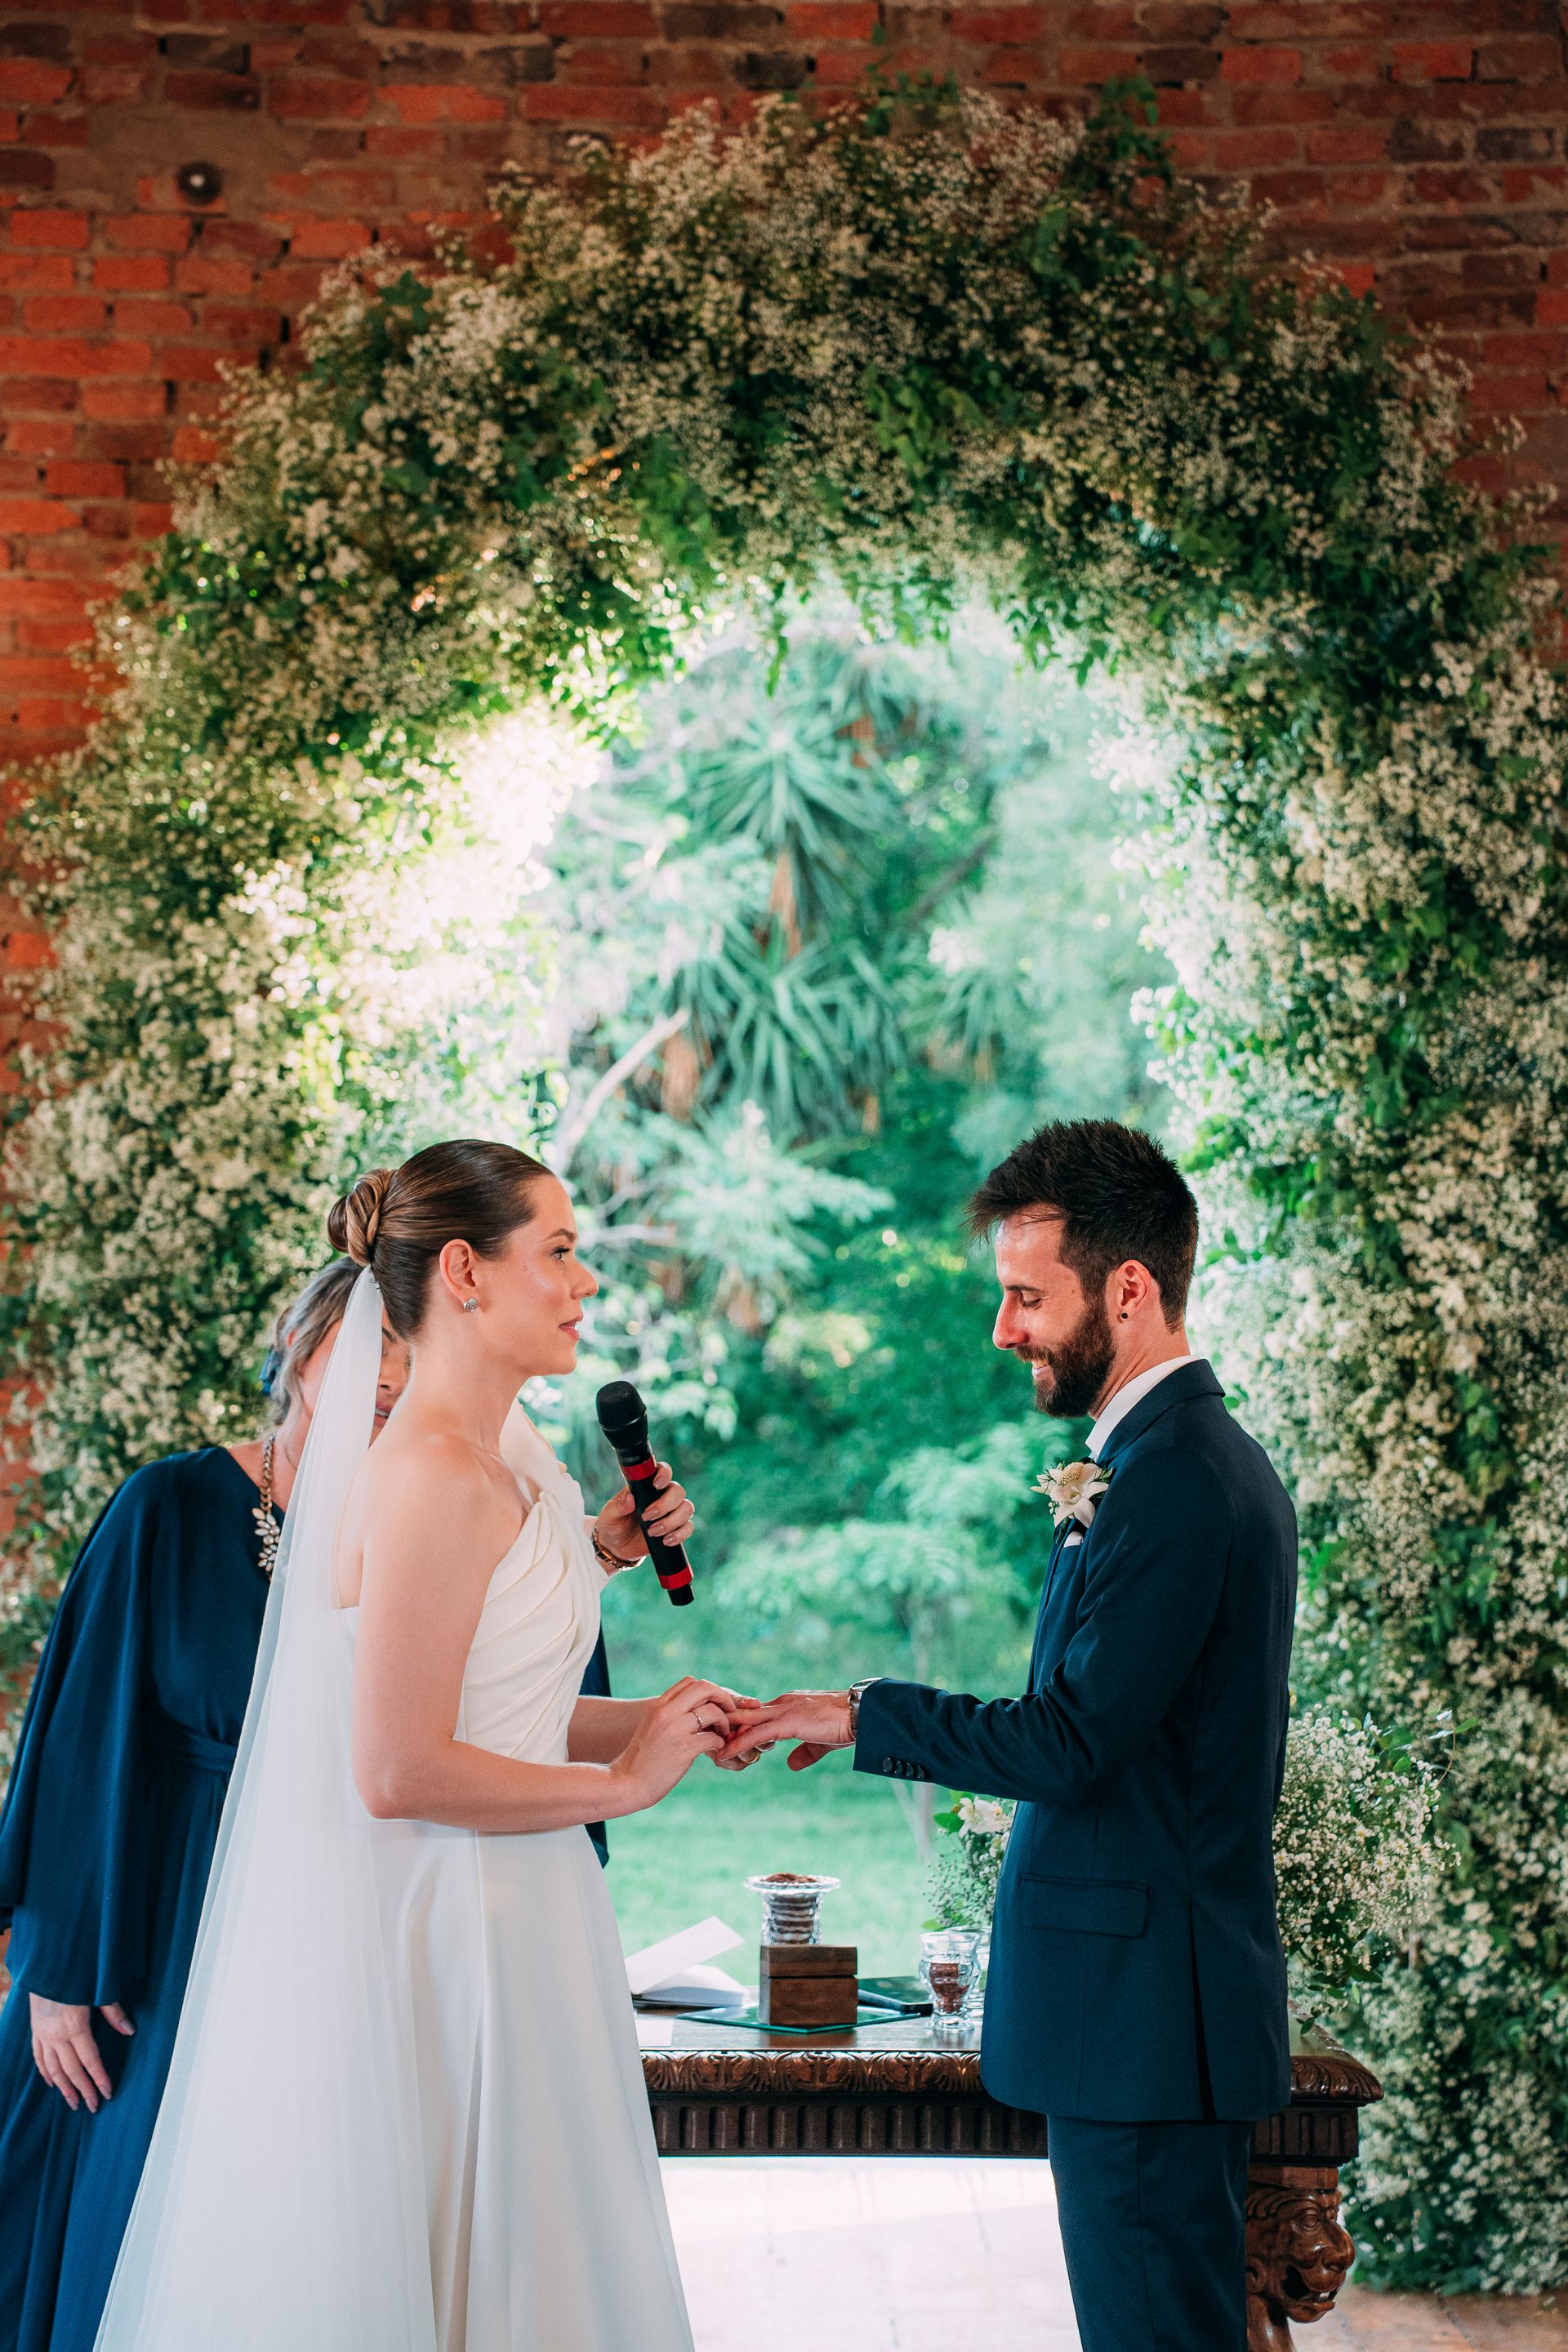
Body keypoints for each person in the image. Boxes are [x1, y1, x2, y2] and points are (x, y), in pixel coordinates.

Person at [93, 1139, 753, 2352]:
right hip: (455, 1925)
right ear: (464, 1271)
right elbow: (396, 1769)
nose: (584, 1283)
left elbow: (502, 1707)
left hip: (529, 1911)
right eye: (559, 1251)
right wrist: (622, 1781)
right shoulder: (432, 1472)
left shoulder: (513, 1457)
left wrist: (673, 1719)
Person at [725, 1118, 1297, 2352]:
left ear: (1129, 1290)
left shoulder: (1179, 1478)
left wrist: (865, 1714)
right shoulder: (1163, 1459)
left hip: (1146, 2027)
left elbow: (1069, 1743)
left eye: (1028, 1297)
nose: (1004, 1329)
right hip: (1143, 2022)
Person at [0, 1258, 410, 2352]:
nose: (386, 1386)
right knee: (130, 2206)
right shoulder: (170, 1507)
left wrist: (594, 1553)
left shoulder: (436, 1521)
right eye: (365, 1357)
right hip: (170, 1911)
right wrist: (58, 1970)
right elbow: (82, 1733)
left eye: (411, 1368)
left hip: (354, 1913)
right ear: (301, 1351)